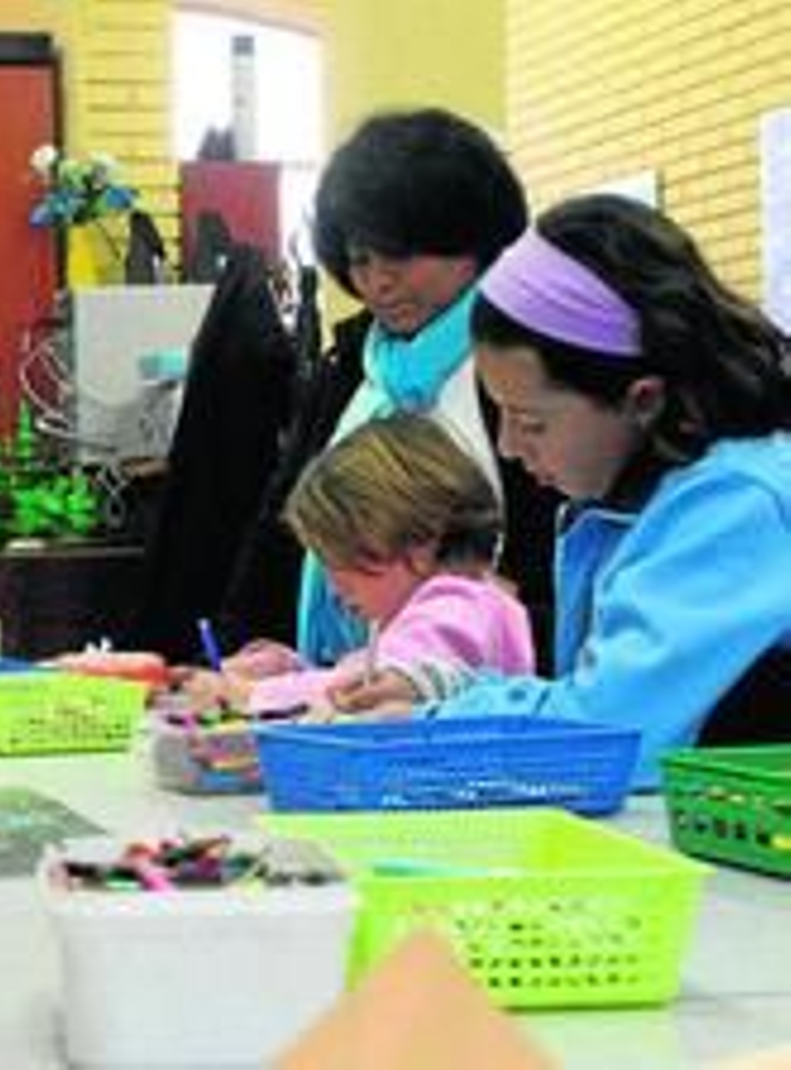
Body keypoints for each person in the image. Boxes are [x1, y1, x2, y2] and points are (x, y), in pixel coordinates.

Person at [335, 194, 791, 786]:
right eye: (499, 414)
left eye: (530, 422)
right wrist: (443, 688)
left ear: (642, 400)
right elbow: (596, 691)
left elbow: (611, 734)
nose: (506, 446)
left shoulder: (732, 506)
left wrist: (431, 725)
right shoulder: (638, 502)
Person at [216, 107, 559, 677]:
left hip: (482, 696)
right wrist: (255, 650)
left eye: (400, 255)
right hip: (336, 685)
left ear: (472, 241)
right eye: (360, 259)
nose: (378, 281)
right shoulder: (351, 366)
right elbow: (283, 535)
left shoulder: (524, 365)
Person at [177, 412, 535, 714]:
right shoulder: (450, 608)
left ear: (419, 540)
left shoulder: (457, 607)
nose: (335, 588)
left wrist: (247, 695)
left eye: (343, 559)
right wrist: (288, 670)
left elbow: (368, 689)